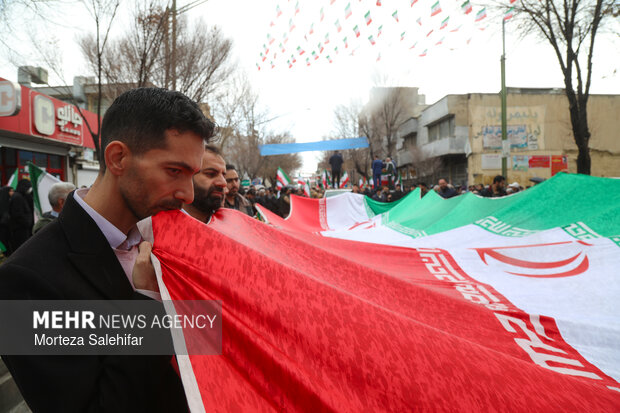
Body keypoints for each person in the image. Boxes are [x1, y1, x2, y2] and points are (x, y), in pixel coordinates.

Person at [0, 87, 215, 412]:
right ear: (118, 158)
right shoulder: (25, 279)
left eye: (193, 175)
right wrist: (148, 302)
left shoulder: (167, 242)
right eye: (174, 171)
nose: (188, 193)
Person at [183, 144, 227, 223]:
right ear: (185, 176)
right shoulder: (162, 226)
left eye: (223, 175)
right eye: (211, 174)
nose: (223, 183)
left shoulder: (231, 225)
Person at [9, 179, 34, 251]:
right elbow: (18, 214)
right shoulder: (18, 197)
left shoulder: (20, 196)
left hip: (20, 228)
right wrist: (27, 222)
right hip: (20, 229)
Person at [0, 186, 14, 255]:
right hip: (3, 228)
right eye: (10, 191)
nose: (12, 193)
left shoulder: (11, 200)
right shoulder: (3, 202)